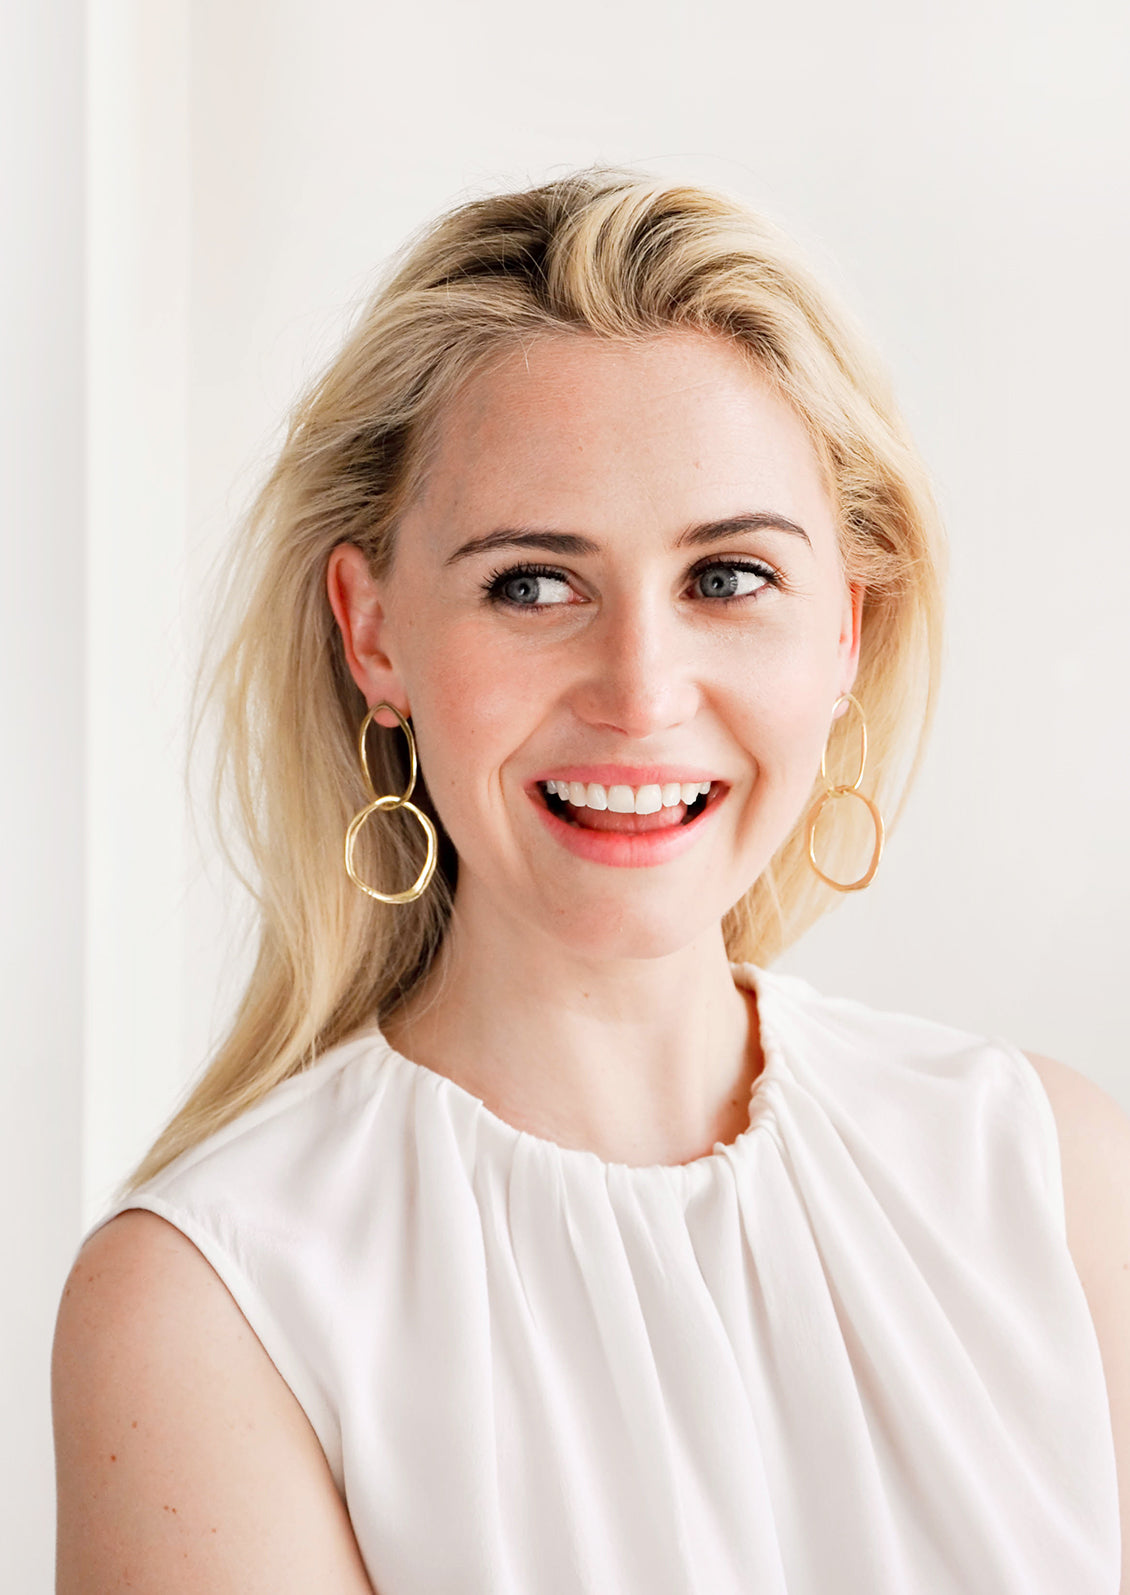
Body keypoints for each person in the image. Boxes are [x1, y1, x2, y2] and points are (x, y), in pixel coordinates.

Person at [52, 169, 1127, 1594]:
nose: (639, 691)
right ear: (372, 634)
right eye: (533, 584)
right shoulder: (210, 1305)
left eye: (729, 576)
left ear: (844, 632)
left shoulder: (1043, 1173)